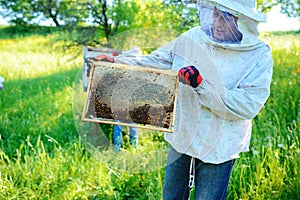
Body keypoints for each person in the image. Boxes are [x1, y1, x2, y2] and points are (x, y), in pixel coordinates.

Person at [93, 0, 273, 199]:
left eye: (227, 17)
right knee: (171, 196)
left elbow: (248, 105)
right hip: (182, 136)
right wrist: (117, 63)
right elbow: (156, 60)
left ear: (244, 21)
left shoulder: (258, 55)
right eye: (215, 15)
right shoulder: (193, 38)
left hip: (220, 146)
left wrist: (201, 86)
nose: (218, 23)